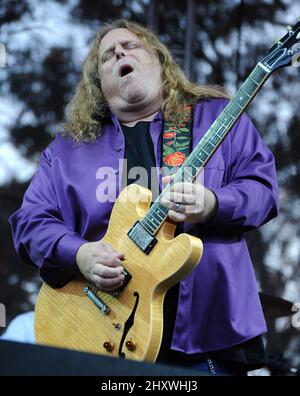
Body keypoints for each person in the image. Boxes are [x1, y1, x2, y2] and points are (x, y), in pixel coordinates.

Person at [9, 19, 279, 376]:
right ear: (99, 85)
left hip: (206, 337)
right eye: (107, 55)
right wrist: (79, 253)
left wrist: (213, 203)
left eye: (131, 46)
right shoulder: (67, 151)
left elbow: (262, 189)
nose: (120, 51)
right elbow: (30, 223)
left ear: (159, 60)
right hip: (98, 337)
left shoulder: (216, 118)